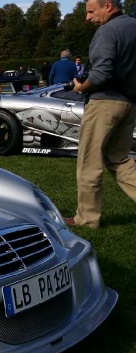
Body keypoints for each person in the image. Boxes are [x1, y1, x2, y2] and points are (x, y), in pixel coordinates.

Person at [66, 0, 136, 229]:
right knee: (120, 159)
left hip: (105, 102)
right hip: (130, 103)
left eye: (90, 11)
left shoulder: (107, 31)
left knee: (89, 162)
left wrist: (81, 87)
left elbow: (102, 72)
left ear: (108, 6)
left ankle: (87, 219)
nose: (87, 18)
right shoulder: (132, 26)